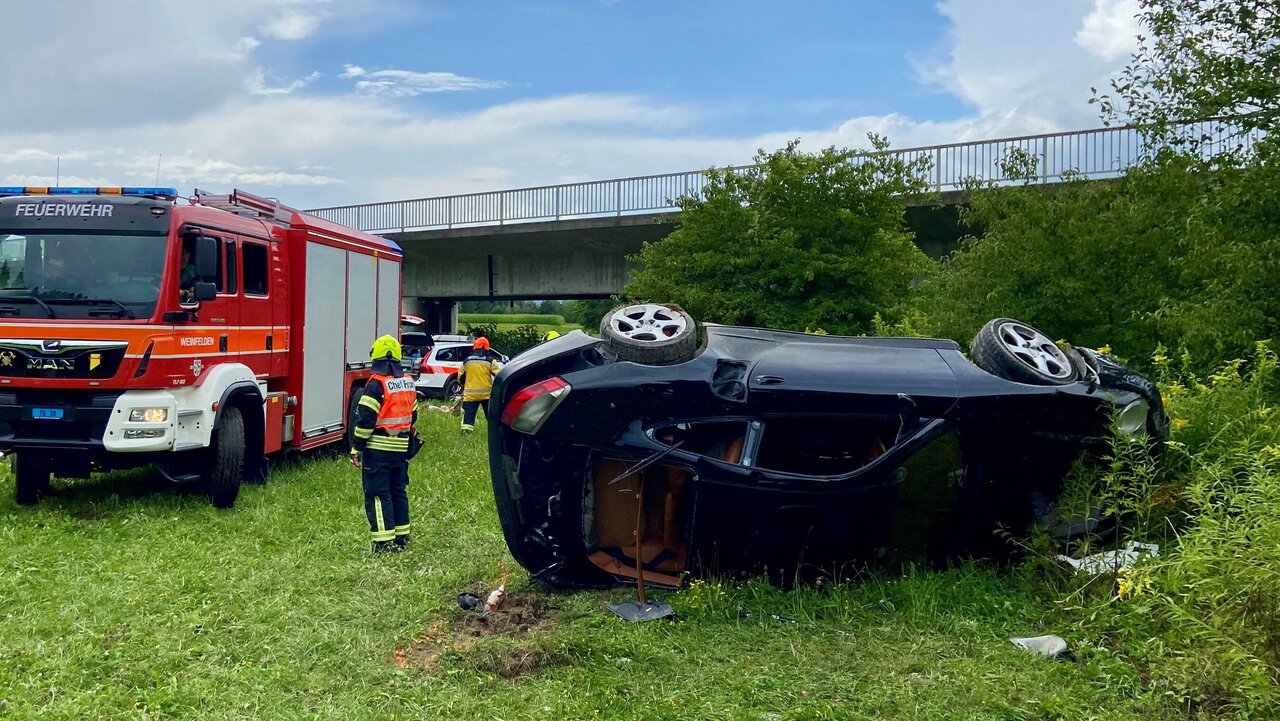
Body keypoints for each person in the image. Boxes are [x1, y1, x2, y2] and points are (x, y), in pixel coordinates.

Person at [350, 335, 421, 553]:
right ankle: (402, 538)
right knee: (398, 491)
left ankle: (383, 543)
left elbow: (365, 421)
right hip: (400, 450)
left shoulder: (375, 384)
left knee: (378, 494)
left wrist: (357, 447)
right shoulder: (408, 382)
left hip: (378, 449)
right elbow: (414, 415)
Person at [458, 337, 501, 435]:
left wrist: (465, 385)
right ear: (487, 348)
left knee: (468, 415)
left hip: (470, 395)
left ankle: (466, 433)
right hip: (486, 395)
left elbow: (460, 377)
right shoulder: (490, 361)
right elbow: (498, 376)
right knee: (490, 416)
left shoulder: (467, 361)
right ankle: (494, 433)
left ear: (475, 347)